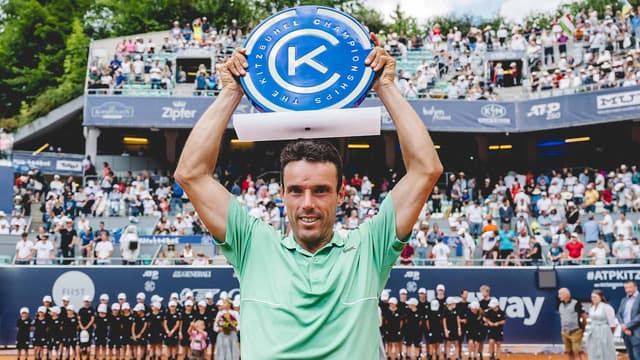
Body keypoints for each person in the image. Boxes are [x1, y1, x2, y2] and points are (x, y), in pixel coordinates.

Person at [173, 34, 442, 358]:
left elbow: (426, 170)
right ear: (282, 194)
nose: (308, 204)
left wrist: (385, 86)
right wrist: (231, 92)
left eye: (321, 191)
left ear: (342, 194)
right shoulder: (254, 245)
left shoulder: (369, 248)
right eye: (297, 191)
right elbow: (190, 174)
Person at [583, 289, 617, 360]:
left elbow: (613, 324)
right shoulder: (592, 307)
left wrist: (609, 335)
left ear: (600, 297)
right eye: (592, 297)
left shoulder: (607, 307)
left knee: (605, 351)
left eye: (595, 297)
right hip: (593, 332)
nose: (593, 299)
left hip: (604, 331)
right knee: (593, 350)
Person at [557, 288, 586, 360]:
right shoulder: (560, 304)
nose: (559, 296)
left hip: (575, 331)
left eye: (560, 294)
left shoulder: (576, 303)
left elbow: (584, 316)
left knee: (576, 352)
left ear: (566, 295)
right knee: (569, 352)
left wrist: (583, 328)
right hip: (564, 332)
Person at [617, 280, 640, 360]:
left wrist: (627, 326)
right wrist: (623, 326)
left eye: (630, 288)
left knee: (638, 356)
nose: (627, 290)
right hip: (625, 333)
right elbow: (619, 314)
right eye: (626, 288)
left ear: (636, 287)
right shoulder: (624, 299)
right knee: (630, 356)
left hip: (637, 333)